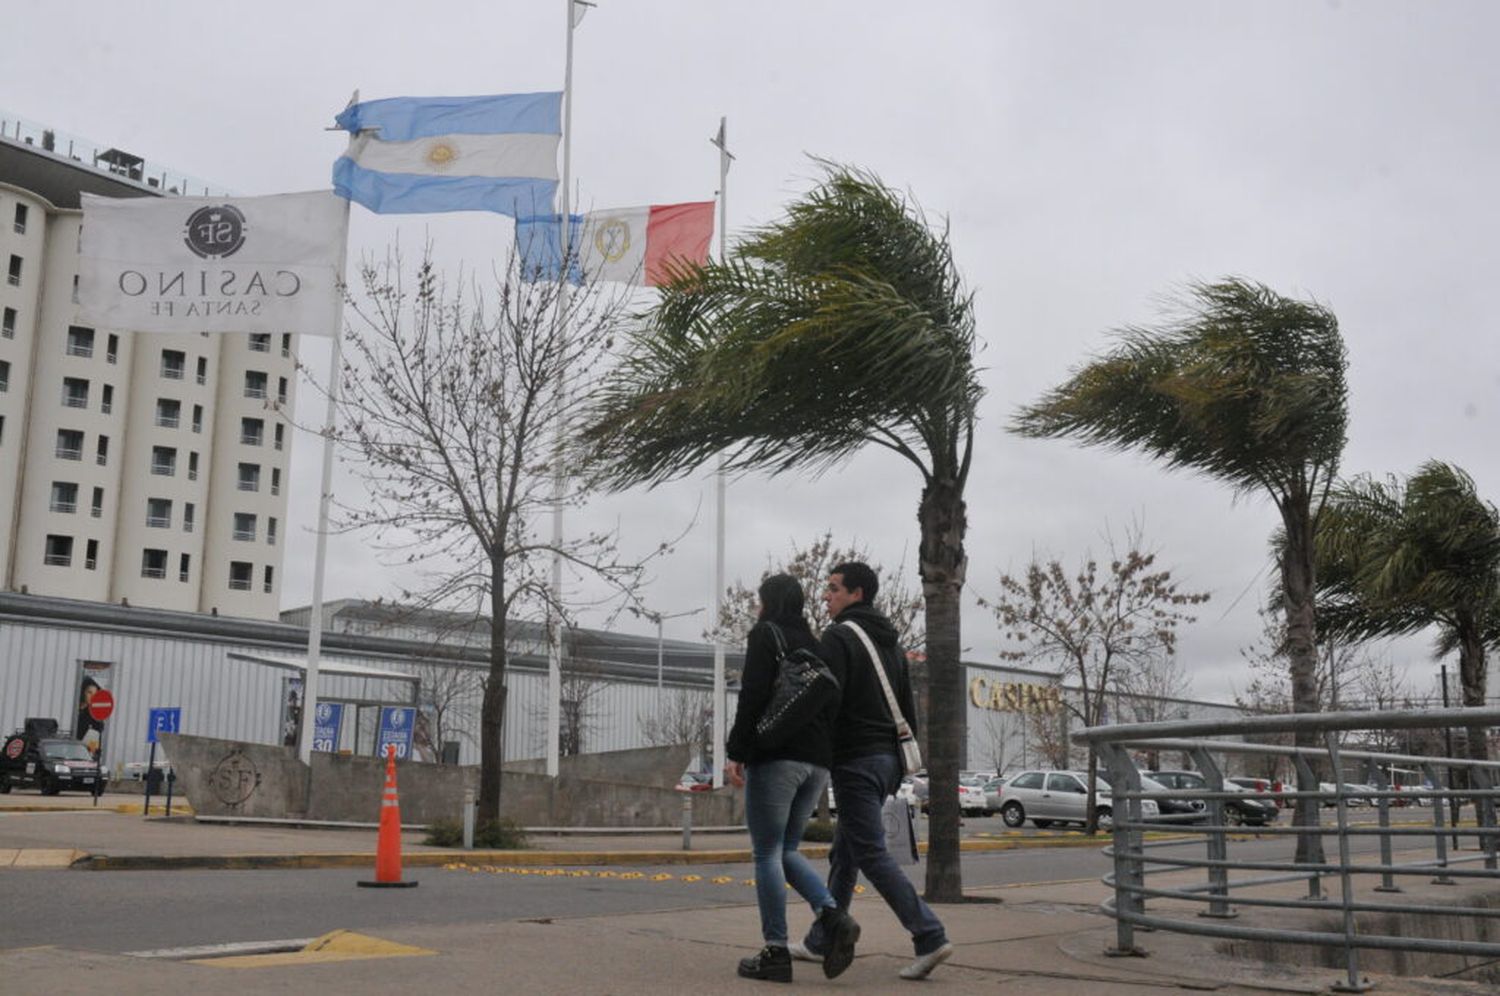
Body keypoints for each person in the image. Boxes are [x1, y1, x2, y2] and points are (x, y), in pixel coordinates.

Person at [793, 561, 953, 980]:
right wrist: (897, 762)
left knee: (868, 852)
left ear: (856, 594)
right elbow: (906, 705)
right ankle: (821, 938)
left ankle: (930, 935)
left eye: (833, 588)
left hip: (856, 758)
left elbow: (827, 701)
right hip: (887, 760)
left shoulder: (839, 636)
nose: (825, 596)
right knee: (845, 853)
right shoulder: (891, 645)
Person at [726, 573, 861, 982]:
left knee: (766, 853)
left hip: (778, 758)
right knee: (786, 851)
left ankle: (775, 951)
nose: (757, 607)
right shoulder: (815, 644)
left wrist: (737, 751)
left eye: (759, 599)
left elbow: (752, 694)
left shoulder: (766, 634)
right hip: (817, 763)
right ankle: (833, 917)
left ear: (769, 602)